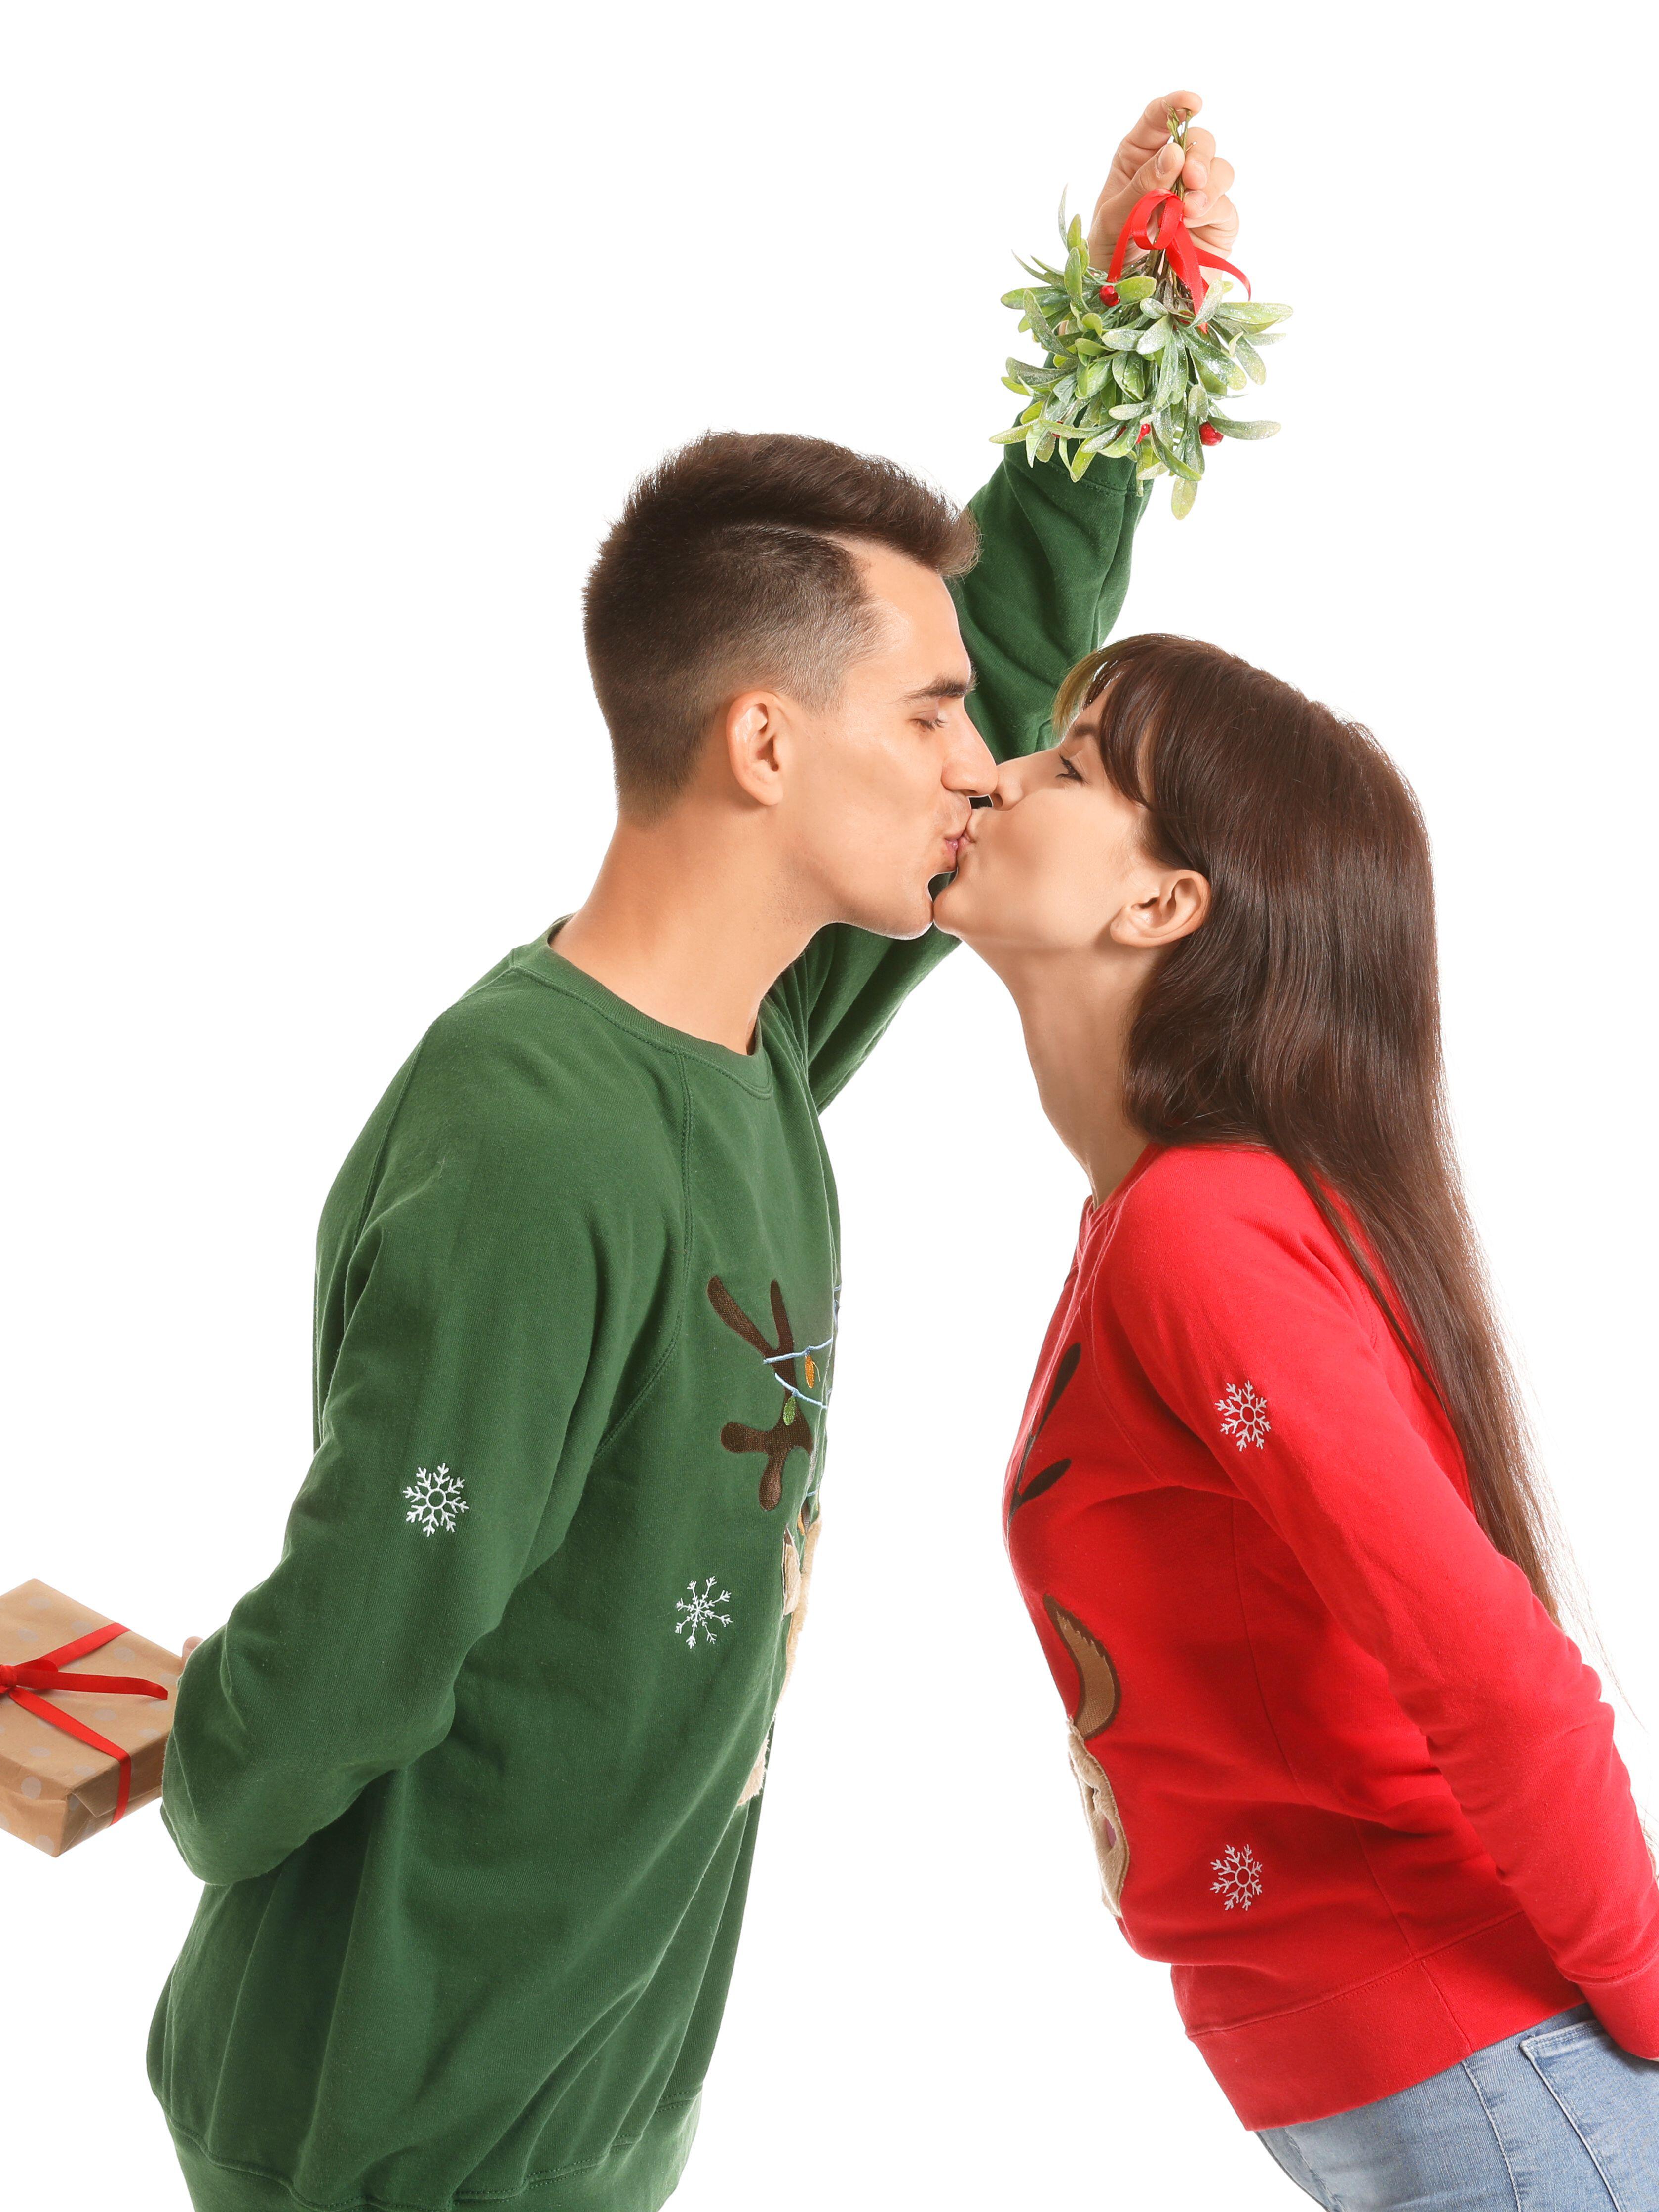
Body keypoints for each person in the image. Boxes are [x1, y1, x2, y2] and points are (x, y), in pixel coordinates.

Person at [145, 96, 1241, 2212]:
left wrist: (1130, 336)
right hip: (400, 2136)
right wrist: (197, 1758)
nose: (983, 766)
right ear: (762, 742)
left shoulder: (738, 1054)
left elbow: (999, 632)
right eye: (925, 723)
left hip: (582, 2113)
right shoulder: (531, 1140)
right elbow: (382, 1603)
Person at [931, 634, 1659, 2211]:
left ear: (1160, 904)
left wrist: (1652, 2001)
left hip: (1516, 2107)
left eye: (1072, 765)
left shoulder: (1196, 1231)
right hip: (1484, 2098)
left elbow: (1490, 1665)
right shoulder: (1153, 1224)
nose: (995, 771)